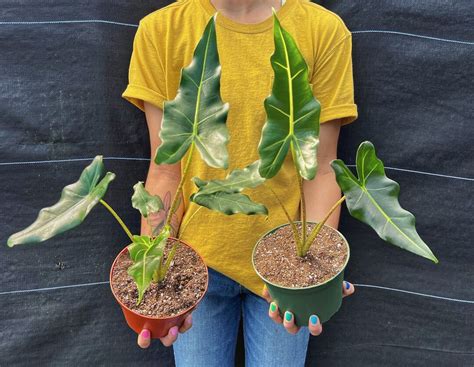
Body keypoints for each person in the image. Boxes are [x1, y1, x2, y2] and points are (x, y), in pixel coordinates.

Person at [122, 0, 357, 365]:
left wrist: (317, 268)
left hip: (283, 268)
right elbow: (165, 169)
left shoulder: (322, 30)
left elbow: (322, 169)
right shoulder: (162, 31)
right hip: (196, 269)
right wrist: (155, 272)